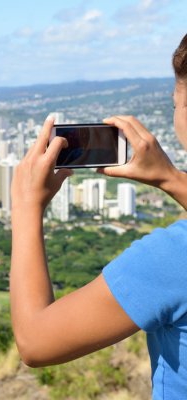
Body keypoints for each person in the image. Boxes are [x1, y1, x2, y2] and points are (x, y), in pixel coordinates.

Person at [10, 33, 187, 399]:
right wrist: (171, 180)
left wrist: (26, 206)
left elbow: (35, 341)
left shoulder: (174, 258)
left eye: (177, 104)